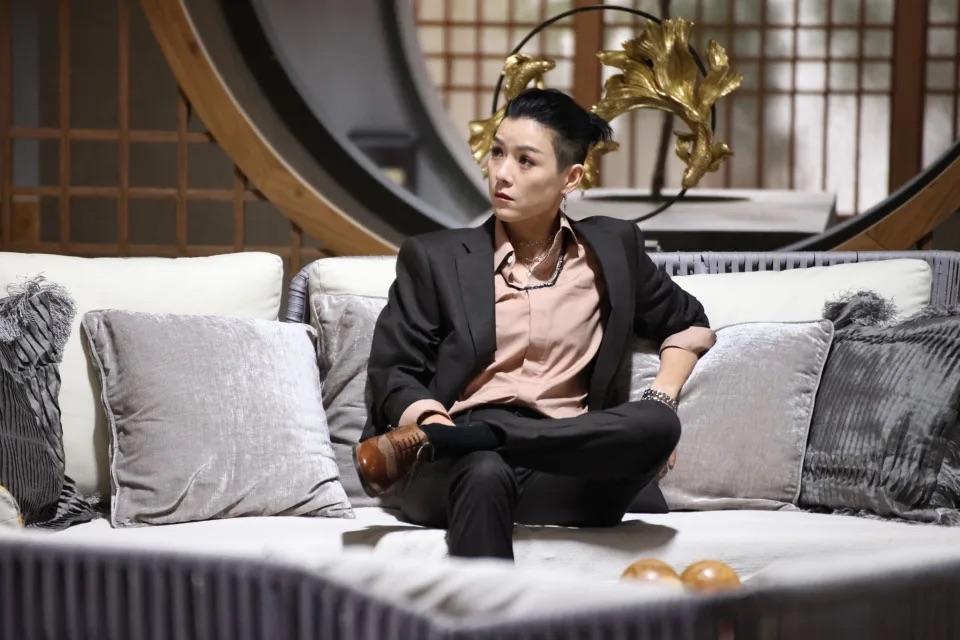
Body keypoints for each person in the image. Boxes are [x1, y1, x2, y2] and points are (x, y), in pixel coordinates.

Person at [353, 88, 716, 560]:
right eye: (497, 153)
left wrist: (662, 393)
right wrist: (435, 424)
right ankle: (474, 447)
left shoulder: (614, 248)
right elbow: (394, 372)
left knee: (658, 424)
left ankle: (484, 436)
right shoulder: (435, 258)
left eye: (525, 161)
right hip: (460, 462)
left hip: (570, 465)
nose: (502, 173)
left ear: (571, 177)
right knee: (485, 469)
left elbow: (689, 323)